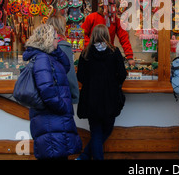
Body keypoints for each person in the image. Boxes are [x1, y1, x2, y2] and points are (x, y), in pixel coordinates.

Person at [23, 23, 82, 160]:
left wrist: (55, 50)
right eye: (55, 38)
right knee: (54, 153)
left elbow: (66, 67)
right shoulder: (43, 59)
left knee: (58, 152)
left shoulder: (48, 56)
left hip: (54, 120)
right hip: (51, 119)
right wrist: (61, 107)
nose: (58, 40)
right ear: (48, 39)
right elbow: (46, 89)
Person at [76, 24, 127, 160]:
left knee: (96, 132)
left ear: (93, 35)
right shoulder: (114, 52)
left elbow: (80, 76)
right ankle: (85, 156)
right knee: (107, 129)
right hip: (110, 98)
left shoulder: (85, 53)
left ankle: (85, 155)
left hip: (91, 98)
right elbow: (122, 74)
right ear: (107, 35)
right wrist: (115, 83)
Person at [47, 14, 79, 104]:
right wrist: (75, 94)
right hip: (60, 96)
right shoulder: (63, 47)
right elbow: (70, 74)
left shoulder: (42, 45)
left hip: (44, 95)